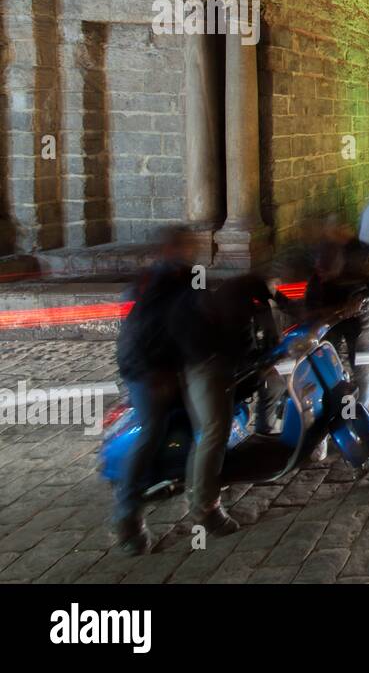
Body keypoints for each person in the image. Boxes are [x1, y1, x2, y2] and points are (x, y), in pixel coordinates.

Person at [170, 273, 288, 537]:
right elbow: (240, 349)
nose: (275, 290)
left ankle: (205, 485)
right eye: (273, 286)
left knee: (211, 432)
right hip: (206, 368)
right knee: (213, 433)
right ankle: (206, 509)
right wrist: (262, 360)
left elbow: (281, 305)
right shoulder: (237, 307)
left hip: (209, 364)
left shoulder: (240, 295)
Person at [111, 226, 202, 555]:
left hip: (172, 362)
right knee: (153, 427)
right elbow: (146, 330)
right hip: (146, 366)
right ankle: (127, 511)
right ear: (168, 248)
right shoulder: (157, 281)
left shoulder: (190, 275)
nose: (190, 249)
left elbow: (199, 311)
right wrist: (156, 372)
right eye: (184, 244)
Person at [304, 228, 369, 413]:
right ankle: (335, 406)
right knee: (327, 363)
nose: (323, 275)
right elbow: (312, 293)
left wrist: (361, 298)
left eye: (328, 272)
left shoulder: (359, 260)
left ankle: (362, 409)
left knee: (360, 363)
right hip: (331, 317)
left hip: (360, 319)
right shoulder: (320, 265)